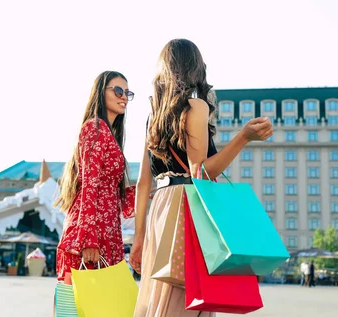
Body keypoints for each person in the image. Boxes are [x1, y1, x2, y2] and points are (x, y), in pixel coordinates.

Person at [130, 39, 273, 316]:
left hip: (160, 210)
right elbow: (200, 172)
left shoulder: (154, 116)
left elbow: (143, 183)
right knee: (186, 296)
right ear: (195, 68)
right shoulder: (195, 107)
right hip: (186, 207)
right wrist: (243, 137)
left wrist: (139, 238)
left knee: (160, 295)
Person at [54, 71, 136, 281]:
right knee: (79, 308)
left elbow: (109, 191)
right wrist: (89, 240)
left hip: (106, 232)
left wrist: (149, 192)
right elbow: (90, 185)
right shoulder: (95, 128)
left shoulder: (108, 133)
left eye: (127, 92)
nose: (124, 97)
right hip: (93, 236)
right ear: (101, 92)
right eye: (118, 90)